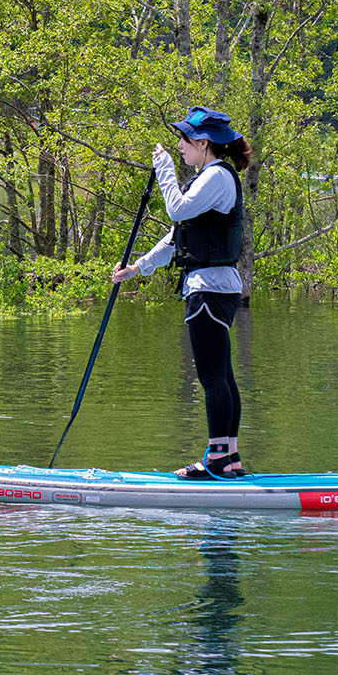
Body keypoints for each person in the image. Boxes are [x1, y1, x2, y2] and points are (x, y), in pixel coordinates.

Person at [110, 106, 251, 480]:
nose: (180, 146)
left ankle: (218, 459)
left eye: (184, 140)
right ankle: (229, 458)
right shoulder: (210, 179)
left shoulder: (217, 176)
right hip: (212, 288)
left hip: (209, 289)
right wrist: (138, 267)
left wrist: (164, 170)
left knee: (212, 376)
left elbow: (176, 208)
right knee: (222, 373)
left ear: (203, 143)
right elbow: (177, 238)